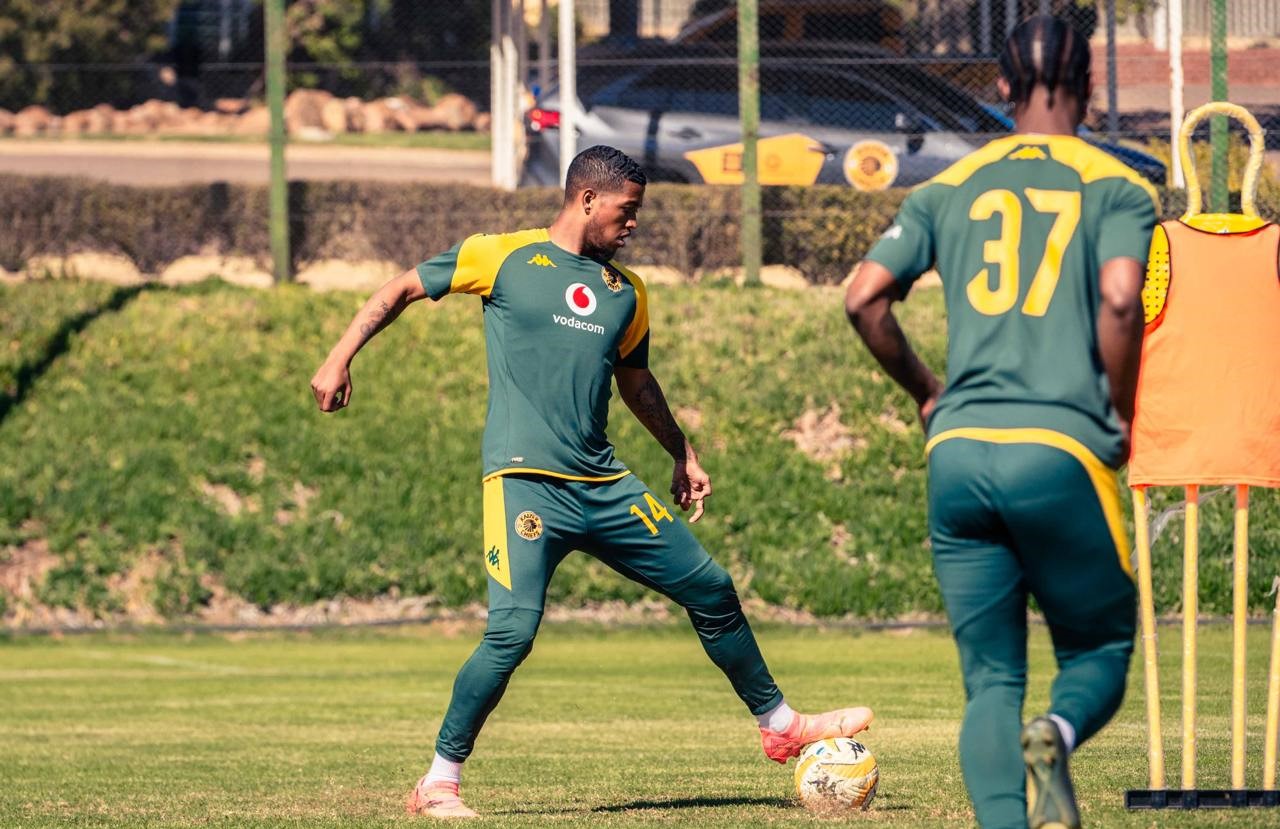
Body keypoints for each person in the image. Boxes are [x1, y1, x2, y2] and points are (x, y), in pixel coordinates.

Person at [311, 145, 873, 819]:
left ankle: (780, 725)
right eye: (626, 210)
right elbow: (401, 287)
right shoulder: (503, 256)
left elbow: (636, 382)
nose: (633, 223)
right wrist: (340, 355)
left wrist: (680, 450)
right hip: (525, 483)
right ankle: (438, 781)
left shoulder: (625, 294)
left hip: (604, 486)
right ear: (586, 200)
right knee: (513, 633)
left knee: (712, 585)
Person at [843, 17, 1156, 829]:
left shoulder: (948, 186)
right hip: (1057, 446)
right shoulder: (1118, 184)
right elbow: (1123, 298)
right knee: (1098, 652)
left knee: (989, 680)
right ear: (1091, 87)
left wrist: (925, 388)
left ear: (1002, 88)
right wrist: (1117, 413)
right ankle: (1054, 732)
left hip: (958, 453)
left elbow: (863, 295)